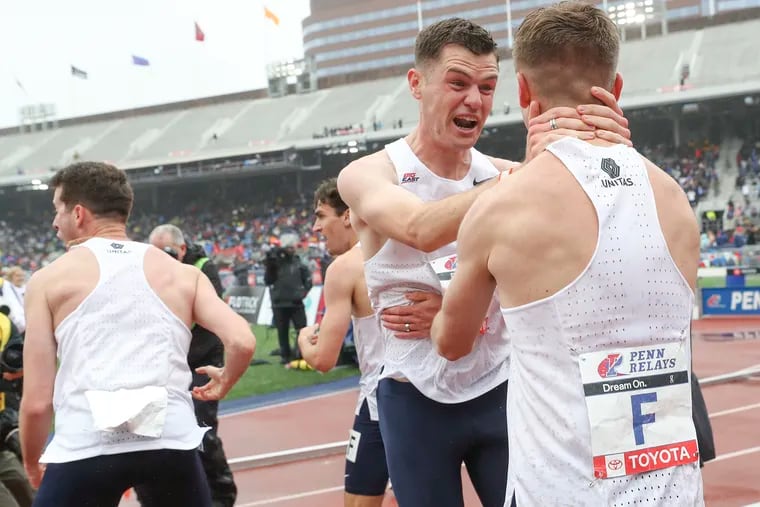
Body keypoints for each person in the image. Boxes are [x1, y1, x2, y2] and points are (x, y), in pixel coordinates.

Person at [337, 16, 632, 507]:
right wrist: (524, 180)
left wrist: (611, 152)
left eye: (487, 86)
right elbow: (419, 229)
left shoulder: (507, 174)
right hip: (413, 395)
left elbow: (581, 248)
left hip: (500, 385)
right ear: (417, 83)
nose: (474, 100)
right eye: (457, 83)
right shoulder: (370, 174)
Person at [430, 3, 704, 505]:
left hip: (559, 490)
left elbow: (450, 344)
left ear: (524, 92)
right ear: (616, 89)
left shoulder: (500, 209)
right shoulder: (676, 201)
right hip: (674, 492)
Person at [20, 162, 256, 507]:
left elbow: (38, 401)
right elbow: (243, 341)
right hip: (169, 443)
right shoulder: (182, 273)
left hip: (87, 446)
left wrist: (30, 460)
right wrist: (226, 380)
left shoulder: (47, 281)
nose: (55, 222)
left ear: (79, 213)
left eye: (58, 210)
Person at [297, 178, 440, 507]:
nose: (316, 227)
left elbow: (322, 360)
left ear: (348, 215)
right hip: (432, 396)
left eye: (321, 216)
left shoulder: (344, 269)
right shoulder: (411, 252)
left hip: (380, 403)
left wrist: (305, 339)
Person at [146, 224, 238, 507]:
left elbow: (198, 314)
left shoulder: (202, 269)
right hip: (169, 364)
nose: (162, 258)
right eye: (155, 253)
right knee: (154, 431)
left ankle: (222, 496)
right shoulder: (152, 272)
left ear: (182, 249)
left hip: (202, 361)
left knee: (203, 430)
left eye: (169, 252)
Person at [264, 233, 313, 364]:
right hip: (280, 303)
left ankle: (302, 352)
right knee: (282, 331)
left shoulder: (298, 262)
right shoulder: (275, 263)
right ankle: (285, 355)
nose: (292, 250)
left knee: (302, 329)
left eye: (293, 247)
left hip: (295, 302)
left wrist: (302, 293)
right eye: (289, 247)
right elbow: (268, 280)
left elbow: (308, 280)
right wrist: (270, 264)